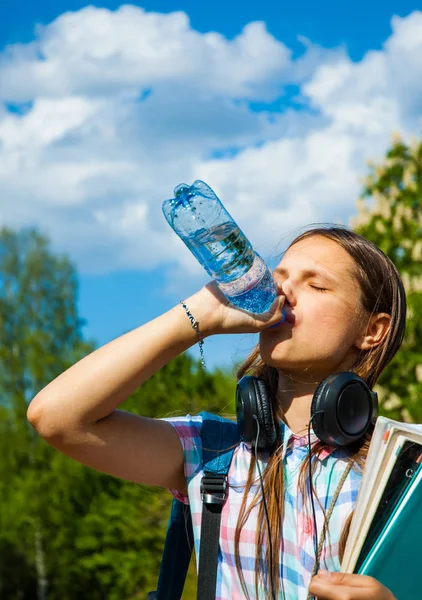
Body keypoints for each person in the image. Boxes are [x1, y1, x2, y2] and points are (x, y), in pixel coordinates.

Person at [27, 226, 405, 600]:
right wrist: (199, 316)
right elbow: (57, 418)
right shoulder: (212, 453)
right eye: (278, 278)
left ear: (373, 329)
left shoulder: (405, 471)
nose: (283, 292)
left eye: (316, 285)